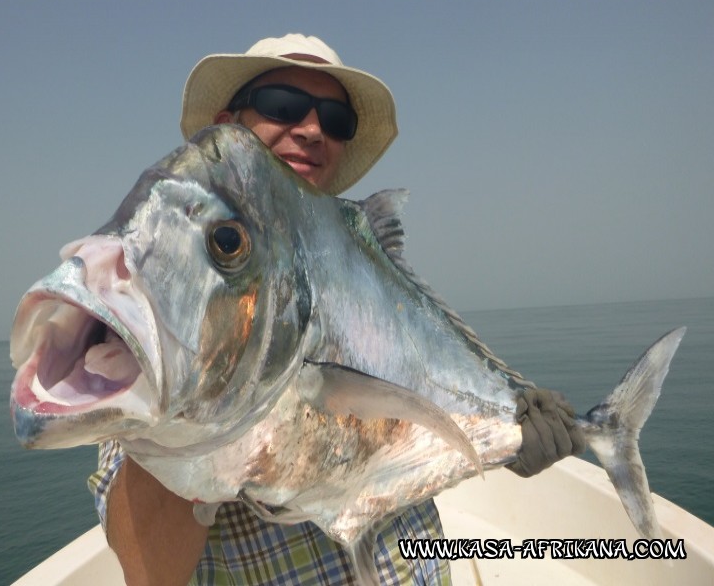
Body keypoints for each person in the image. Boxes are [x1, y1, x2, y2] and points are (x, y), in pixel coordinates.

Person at [88, 34, 585, 585]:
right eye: (280, 104)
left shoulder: (365, 281)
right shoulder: (157, 306)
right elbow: (148, 573)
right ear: (228, 124)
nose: (310, 128)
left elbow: (413, 430)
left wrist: (507, 434)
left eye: (335, 118)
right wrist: (180, 406)